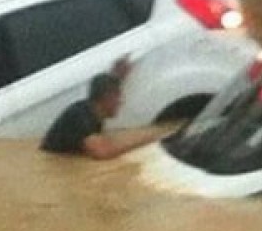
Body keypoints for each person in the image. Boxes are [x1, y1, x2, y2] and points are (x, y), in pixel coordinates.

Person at [40, 57, 169, 160]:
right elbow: (104, 153)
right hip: (51, 160)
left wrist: (117, 76)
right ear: (107, 98)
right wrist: (145, 140)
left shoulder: (91, 108)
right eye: (118, 98)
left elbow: (106, 88)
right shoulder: (82, 119)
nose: (120, 103)